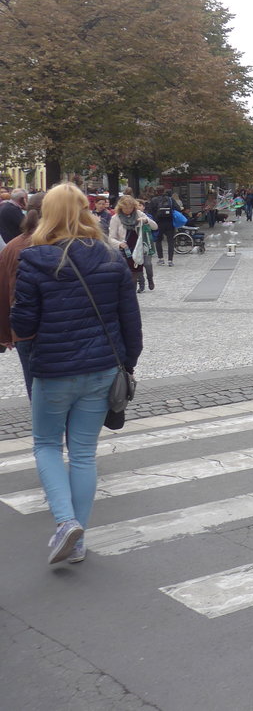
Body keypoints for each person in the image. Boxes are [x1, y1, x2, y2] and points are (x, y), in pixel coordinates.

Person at [10, 183, 142, 565]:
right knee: (83, 453)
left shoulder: (35, 259)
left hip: (53, 370)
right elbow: (130, 322)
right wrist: (127, 364)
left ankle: (66, 522)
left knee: (47, 445)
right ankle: (78, 542)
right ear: (87, 211)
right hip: (102, 369)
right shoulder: (110, 257)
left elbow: (23, 324)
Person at [0, 192, 44, 396]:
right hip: (55, 329)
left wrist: (5, 333)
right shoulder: (56, 243)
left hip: (23, 331)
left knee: (35, 391)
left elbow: (3, 291)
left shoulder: (11, 246)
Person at [107, 196, 157, 294]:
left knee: (138, 270)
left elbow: (155, 227)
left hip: (139, 247)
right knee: (128, 273)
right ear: (121, 207)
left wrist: (146, 220)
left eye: (130, 208)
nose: (128, 210)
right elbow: (111, 238)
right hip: (125, 249)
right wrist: (119, 243)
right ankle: (130, 293)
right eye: (125, 208)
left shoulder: (139, 214)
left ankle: (135, 291)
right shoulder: (116, 218)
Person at [147, 188, 182, 265]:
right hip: (169, 223)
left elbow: (149, 211)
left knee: (158, 241)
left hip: (158, 223)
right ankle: (170, 261)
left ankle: (161, 259)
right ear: (164, 191)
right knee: (170, 241)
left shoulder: (154, 200)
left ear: (156, 192)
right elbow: (178, 209)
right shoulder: (170, 199)